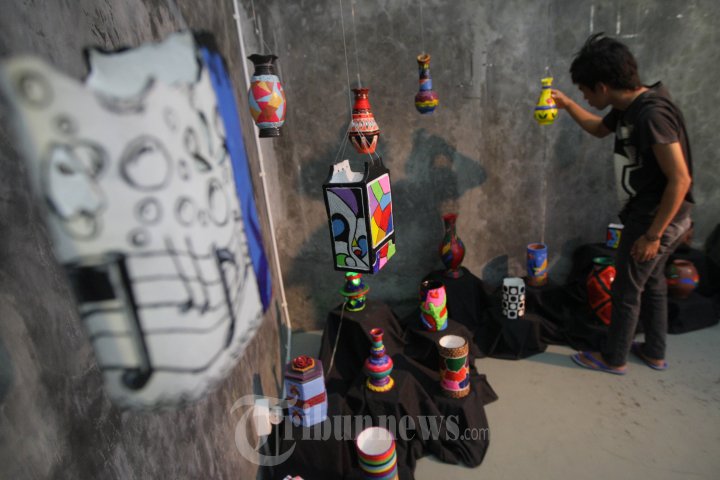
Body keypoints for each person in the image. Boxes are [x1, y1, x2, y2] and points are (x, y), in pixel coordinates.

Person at [552, 33, 694, 374]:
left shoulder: (651, 115)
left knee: (626, 289)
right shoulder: (627, 108)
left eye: (584, 91)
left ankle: (613, 358)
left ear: (602, 87)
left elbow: (680, 179)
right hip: (656, 215)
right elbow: (598, 129)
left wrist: (653, 235)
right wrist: (567, 105)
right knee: (653, 282)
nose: (585, 97)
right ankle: (654, 352)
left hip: (654, 218)